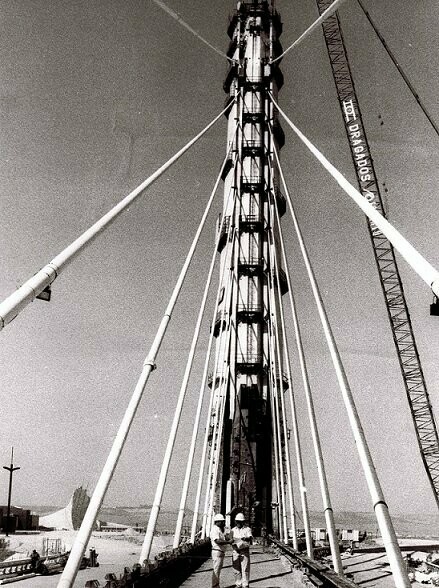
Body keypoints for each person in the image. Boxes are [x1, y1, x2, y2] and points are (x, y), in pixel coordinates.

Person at [231, 513, 253, 588]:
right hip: (236, 551)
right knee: (236, 569)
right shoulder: (233, 530)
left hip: (244, 550)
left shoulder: (247, 529)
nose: (238, 523)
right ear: (235, 521)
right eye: (237, 521)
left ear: (243, 522)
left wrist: (245, 538)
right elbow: (231, 540)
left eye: (240, 522)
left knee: (245, 569)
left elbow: (250, 538)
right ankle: (238, 583)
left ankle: (245, 584)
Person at [210, 513, 232, 588]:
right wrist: (228, 542)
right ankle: (215, 586)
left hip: (220, 551)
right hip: (217, 551)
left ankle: (216, 585)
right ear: (217, 521)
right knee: (216, 570)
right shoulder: (214, 529)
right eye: (221, 521)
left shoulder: (219, 529)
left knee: (218, 569)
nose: (223, 523)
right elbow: (217, 541)